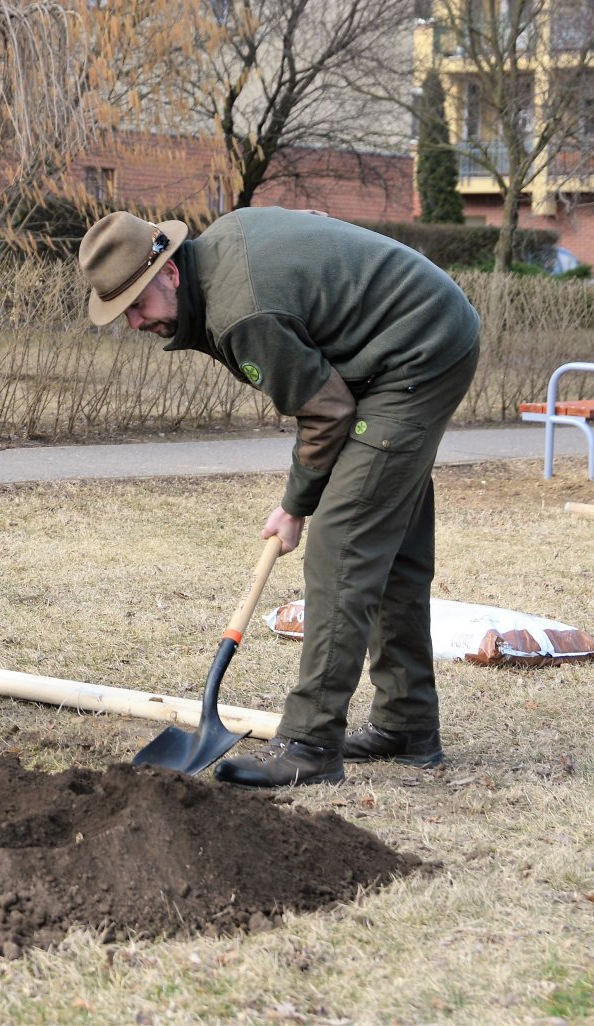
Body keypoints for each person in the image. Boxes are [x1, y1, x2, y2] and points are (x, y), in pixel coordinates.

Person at [77, 208, 481, 787]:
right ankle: (407, 725)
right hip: (397, 344)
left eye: (136, 305)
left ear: (169, 272)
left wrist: (295, 505)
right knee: (387, 546)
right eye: (123, 313)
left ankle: (311, 744)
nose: (134, 323)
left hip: (417, 352)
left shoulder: (242, 312)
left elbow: (326, 410)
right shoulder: (217, 264)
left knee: (341, 549)